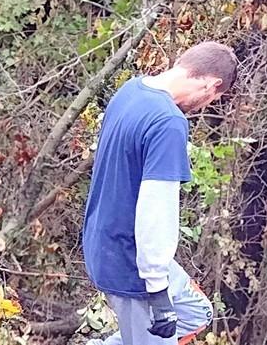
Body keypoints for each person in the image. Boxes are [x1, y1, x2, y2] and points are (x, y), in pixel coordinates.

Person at [83, 41, 238, 345]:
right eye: (213, 98)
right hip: (130, 264)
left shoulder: (131, 91)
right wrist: (157, 290)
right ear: (211, 84)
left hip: (104, 244)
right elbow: (155, 211)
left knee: (196, 312)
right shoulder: (168, 122)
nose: (205, 105)